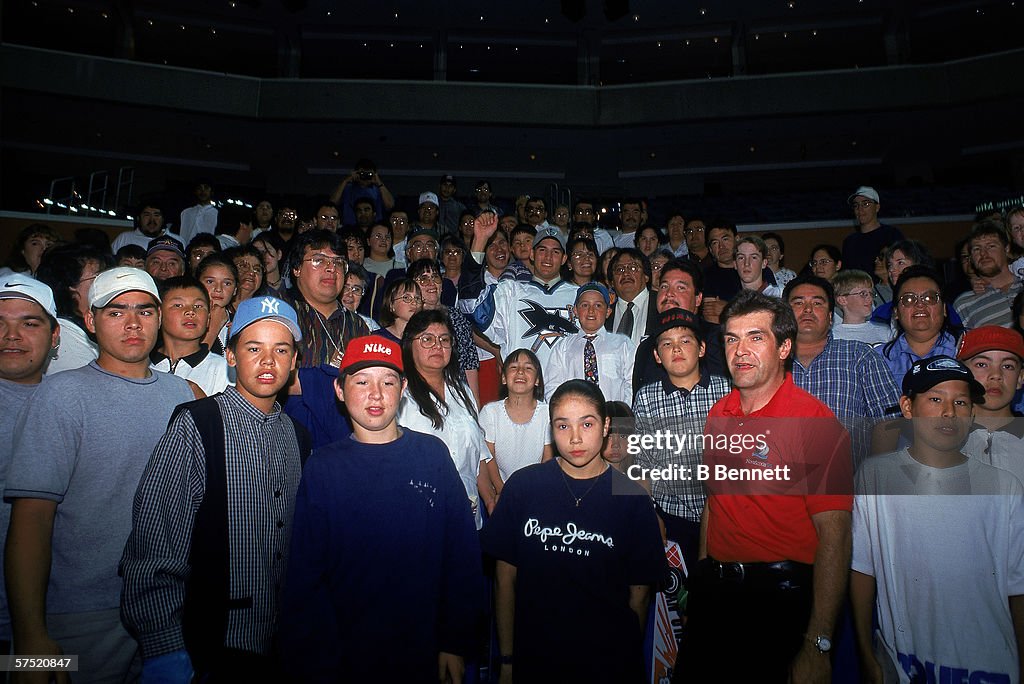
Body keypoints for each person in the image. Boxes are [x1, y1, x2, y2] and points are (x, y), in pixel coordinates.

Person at [5, 268, 194, 683]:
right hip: (79, 615)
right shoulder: (60, 395)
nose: (132, 324)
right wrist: (30, 640)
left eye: (145, 311)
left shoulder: (181, 394)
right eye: (115, 312)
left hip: (165, 609)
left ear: (160, 318)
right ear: (90, 321)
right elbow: (31, 520)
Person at [121, 295, 307, 682]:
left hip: (278, 645)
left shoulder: (299, 437)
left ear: (294, 363)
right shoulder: (197, 423)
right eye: (254, 348)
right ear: (232, 356)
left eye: (281, 349)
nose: (268, 361)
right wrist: (163, 645)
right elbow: (156, 542)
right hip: (206, 648)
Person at [279, 335, 484, 681]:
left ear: (403, 388)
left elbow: (461, 555)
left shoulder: (432, 454)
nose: (376, 394)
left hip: (425, 645)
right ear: (340, 391)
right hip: (345, 652)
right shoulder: (323, 467)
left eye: (387, 381)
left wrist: (455, 641)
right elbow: (306, 574)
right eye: (361, 382)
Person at [680, 290, 853, 683]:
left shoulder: (815, 421)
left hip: (780, 597)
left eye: (756, 337)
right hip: (716, 595)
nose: (740, 350)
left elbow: (836, 535)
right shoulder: (718, 413)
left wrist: (817, 643)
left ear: (785, 347)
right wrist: (703, 583)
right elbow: (714, 504)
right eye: (731, 338)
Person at [850, 356, 1024, 683]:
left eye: (960, 402)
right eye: (935, 399)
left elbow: (1019, 589)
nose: (949, 412)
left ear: (972, 413)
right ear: (907, 407)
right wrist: (866, 653)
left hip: (990, 667)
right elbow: (862, 570)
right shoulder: (876, 475)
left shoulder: (1004, 486)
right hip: (906, 665)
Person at [480, 379, 667, 684]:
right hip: (535, 658)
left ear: (606, 426)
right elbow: (504, 580)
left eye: (587, 424)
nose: (576, 438)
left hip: (607, 663)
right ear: (550, 429)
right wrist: (507, 660)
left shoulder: (633, 499)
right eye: (563, 426)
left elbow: (639, 598)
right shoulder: (523, 487)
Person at [632, 307, 730, 572]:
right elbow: (641, 464)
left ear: (701, 349)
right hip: (670, 517)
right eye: (667, 343)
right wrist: (651, 512)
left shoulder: (727, 391)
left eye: (685, 341)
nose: (676, 349)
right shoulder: (646, 398)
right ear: (656, 356)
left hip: (723, 517)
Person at [0, 276, 60, 653]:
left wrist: (33, 635)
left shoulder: (71, 403)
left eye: (29, 323)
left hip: (49, 628)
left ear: (55, 336)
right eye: (0, 323)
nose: (11, 335)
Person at [785, 274, 902, 466]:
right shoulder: (769, 363)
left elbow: (888, 420)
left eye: (817, 303)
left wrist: (872, 475)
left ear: (831, 317)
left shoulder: (859, 356)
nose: (807, 310)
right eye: (798, 303)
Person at [398, 309, 495, 525]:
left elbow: (478, 455)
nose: (438, 346)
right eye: (427, 339)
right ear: (409, 344)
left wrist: (490, 500)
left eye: (444, 340)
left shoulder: (463, 392)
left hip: (468, 513)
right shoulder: (399, 395)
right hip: (420, 514)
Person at [466, 225, 580, 370]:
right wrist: (479, 242)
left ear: (564, 259)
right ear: (532, 254)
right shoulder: (510, 292)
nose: (548, 257)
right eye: (542, 250)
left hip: (569, 387)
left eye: (555, 252)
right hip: (523, 386)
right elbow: (471, 307)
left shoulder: (580, 296)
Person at [632, 258, 726, 391]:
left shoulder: (717, 338)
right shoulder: (646, 347)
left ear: (698, 298)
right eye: (664, 286)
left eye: (680, 288)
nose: (669, 294)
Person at [281, 229, 370, 368]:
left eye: (339, 262)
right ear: (297, 268)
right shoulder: (281, 315)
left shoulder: (357, 325)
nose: (332, 268)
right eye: (319, 261)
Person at [479, 348, 553, 496]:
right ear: (504, 378)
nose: (520, 372)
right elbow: (488, 457)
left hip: (536, 491)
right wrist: (502, 490)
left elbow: (547, 459)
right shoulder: (490, 412)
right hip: (499, 491)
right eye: (513, 367)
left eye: (528, 368)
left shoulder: (547, 413)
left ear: (537, 380)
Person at [546, 282, 635, 403]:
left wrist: (621, 414)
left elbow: (631, 383)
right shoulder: (563, 347)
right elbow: (552, 387)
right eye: (585, 305)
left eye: (598, 305)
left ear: (608, 311)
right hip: (575, 417)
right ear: (575, 311)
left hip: (615, 417)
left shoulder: (622, 344)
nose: (591, 311)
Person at [957, 326, 1024, 482]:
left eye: (1007, 366)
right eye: (982, 364)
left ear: (1020, 377)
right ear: (961, 372)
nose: (996, 375)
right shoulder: (940, 437)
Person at [408, 259, 480, 401]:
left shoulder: (457, 317)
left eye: (435, 277)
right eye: (423, 279)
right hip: (420, 395)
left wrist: (475, 406)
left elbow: (469, 364)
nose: (431, 283)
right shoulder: (409, 320)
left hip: (457, 394)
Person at [877, 266, 959, 389]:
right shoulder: (878, 359)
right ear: (896, 312)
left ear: (944, 309)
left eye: (929, 298)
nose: (920, 305)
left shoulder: (965, 350)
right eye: (909, 299)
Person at [34, 244, 111, 375]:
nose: (107, 282)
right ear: (71, 286)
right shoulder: (65, 338)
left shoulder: (86, 325)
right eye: (98, 277)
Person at [150, 275, 231, 396]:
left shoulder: (224, 370)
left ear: (209, 317)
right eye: (178, 305)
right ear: (159, 314)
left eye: (198, 306)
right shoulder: (143, 366)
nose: (190, 312)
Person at [955, 220, 1023, 329]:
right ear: (971, 257)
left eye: (991, 246)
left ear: (1006, 249)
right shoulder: (963, 304)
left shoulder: (1022, 284)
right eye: (977, 249)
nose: (983, 254)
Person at [841, 186, 904, 275]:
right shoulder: (850, 241)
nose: (860, 209)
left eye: (865, 204)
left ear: (877, 207)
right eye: (856, 205)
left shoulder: (891, 234)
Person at [606, 249, 656, 346]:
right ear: (611, 282)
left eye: (633, 268)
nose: (626, 274)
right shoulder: (604, 315)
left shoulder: (661, 304)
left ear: (646, 276)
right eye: (619, 269)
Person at [832, 269, 891, 345]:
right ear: (842, 300)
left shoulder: (884, 331)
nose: (870, 298)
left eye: (871, 293)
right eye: (863, 294)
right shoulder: (834, 336)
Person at [195, 253, 238, 356]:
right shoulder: (188, 318)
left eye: (227, 283)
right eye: (210, 281)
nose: (218, 289)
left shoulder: (240, 322)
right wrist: (214, 326)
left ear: (235, 289)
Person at [329, 158, 394, 226]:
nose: (365, 177)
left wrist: (379, 182)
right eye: (362, 173)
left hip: (374, 229)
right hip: (350, 228)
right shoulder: (348, 188)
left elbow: (390, 206)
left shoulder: (378, 190)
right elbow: (332, 203)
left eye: (368, 174)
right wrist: (346, 181)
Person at [111, 201, 176, 253]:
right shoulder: (124, 238)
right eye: (147, 215)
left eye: (156, 215)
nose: (152, 220)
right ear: (138, 218)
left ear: (163, 219)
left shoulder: (176, 240)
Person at [374, 278, 423, 345]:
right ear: (391, 305)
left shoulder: (425, 338)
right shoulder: (377, 339)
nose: (414, 302)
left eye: (417, 298)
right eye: (406, 298)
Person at [178, 179, 219, 247]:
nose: (202, 191)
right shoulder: (186, 213)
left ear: (211, 192)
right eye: (199, 188)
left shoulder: (217, 213)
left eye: (206, 188)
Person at [251, 232, 287, 297]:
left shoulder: (290, 286)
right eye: (258, 253)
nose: (263, 257)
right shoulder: (252, 288)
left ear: (279, 254)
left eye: (267, 251)